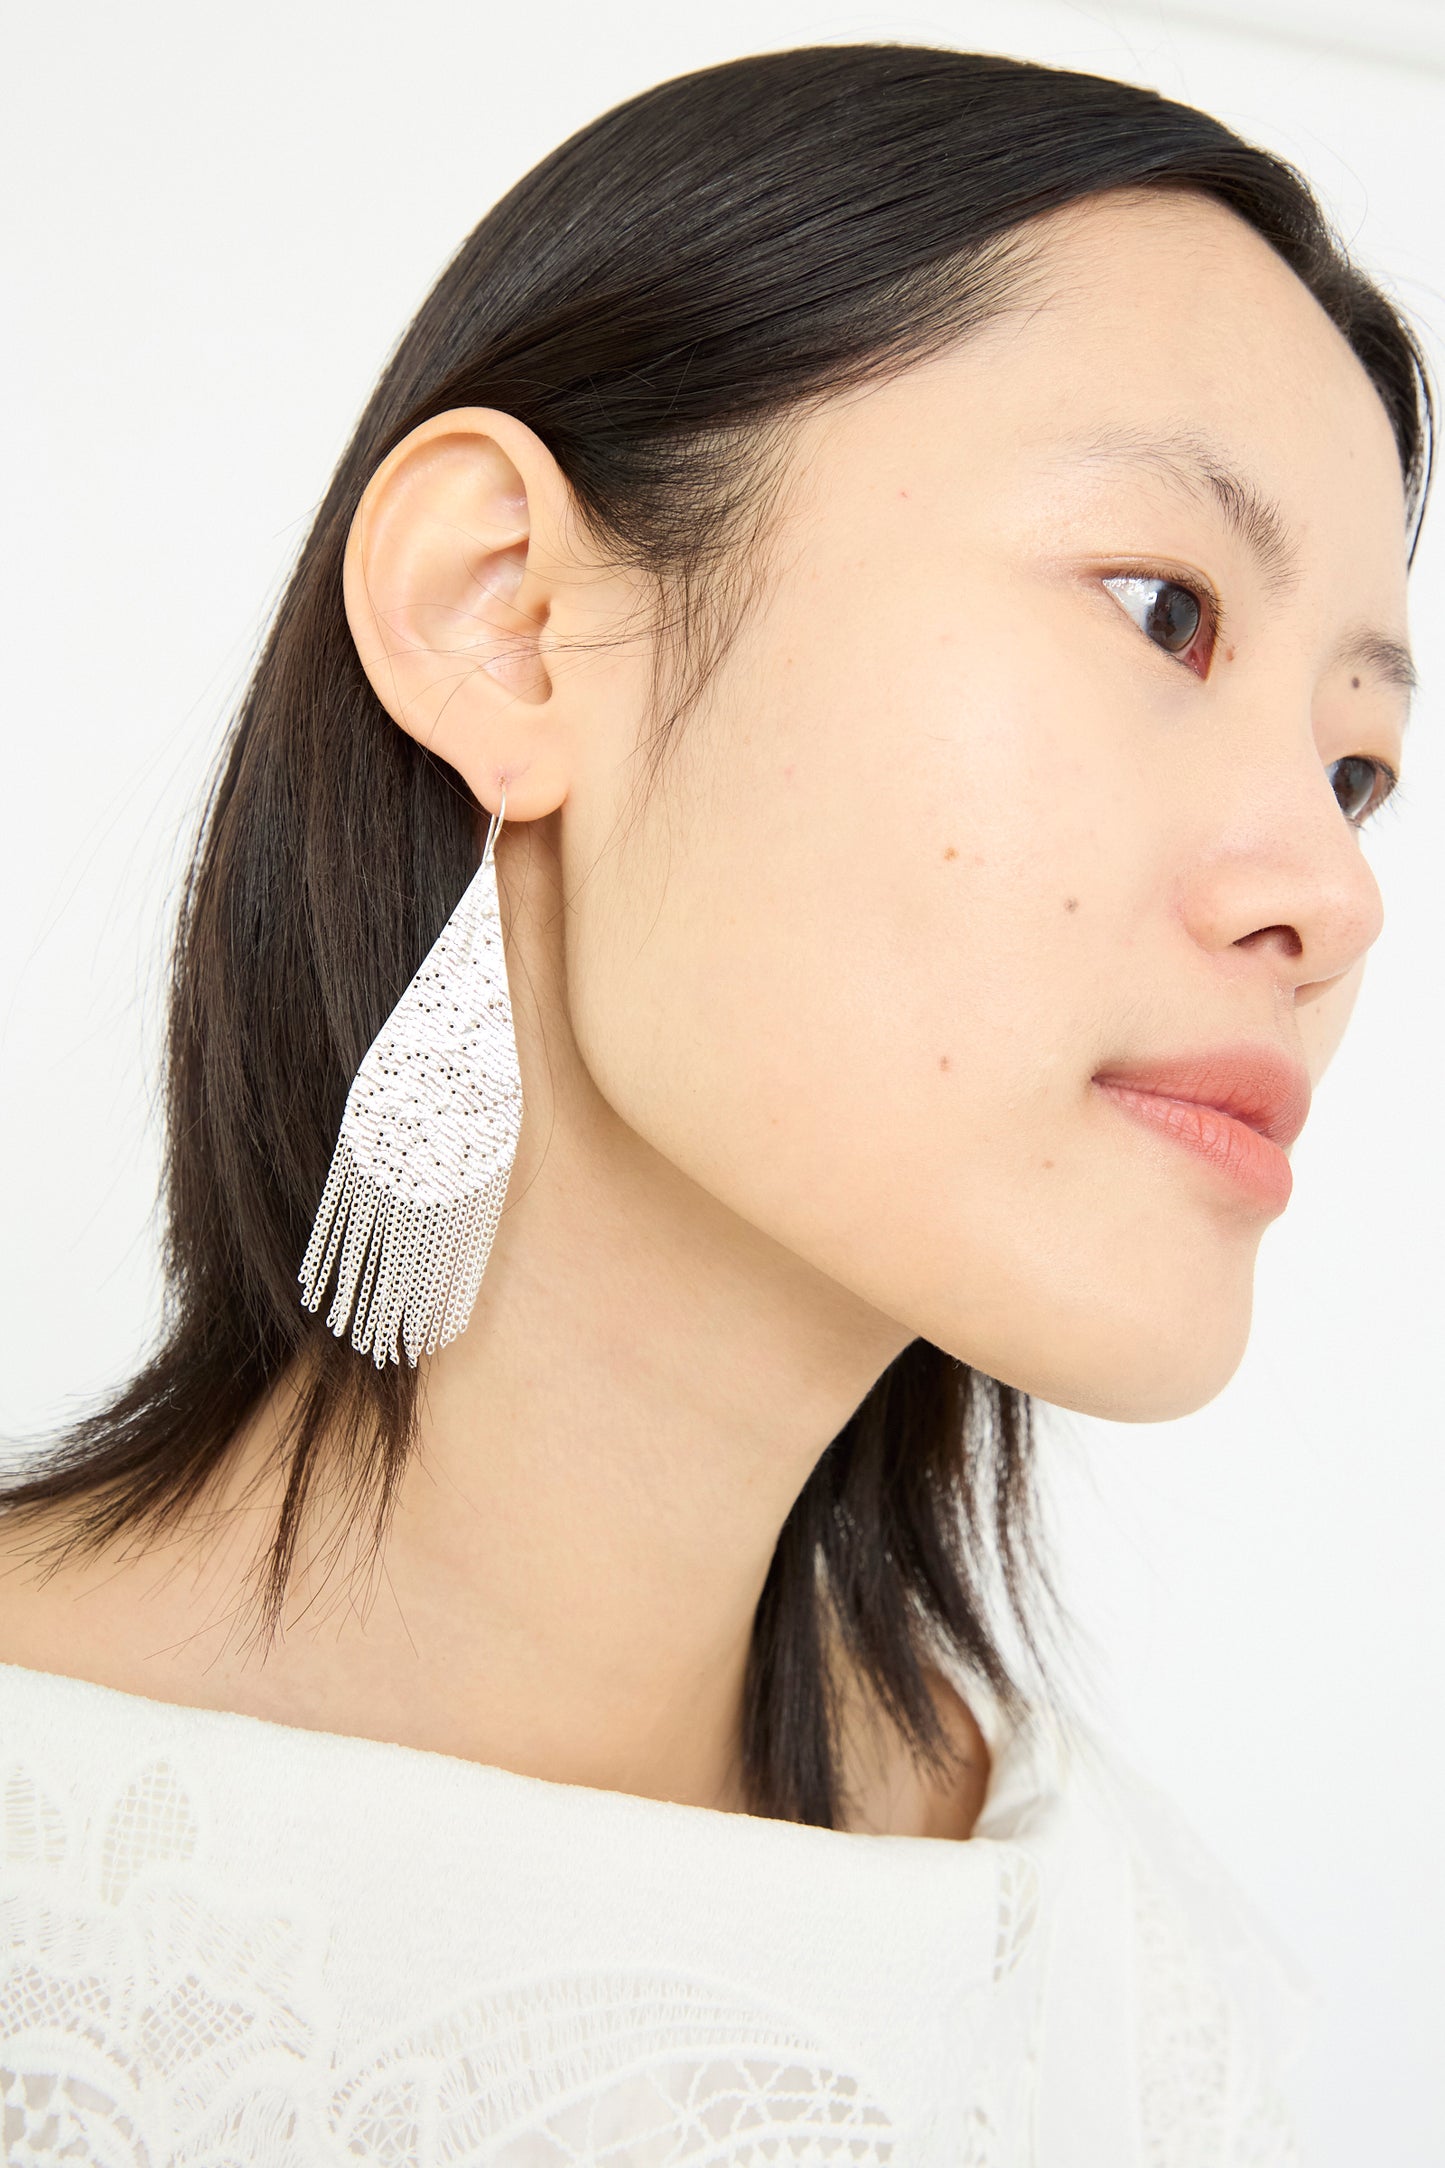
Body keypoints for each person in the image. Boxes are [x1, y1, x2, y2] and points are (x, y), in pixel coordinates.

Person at [0, 38, 1429, 2165]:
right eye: (1162, 610)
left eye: (1356, 764)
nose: (1332, 893)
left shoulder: (1116, 2006)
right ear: (509, 619)